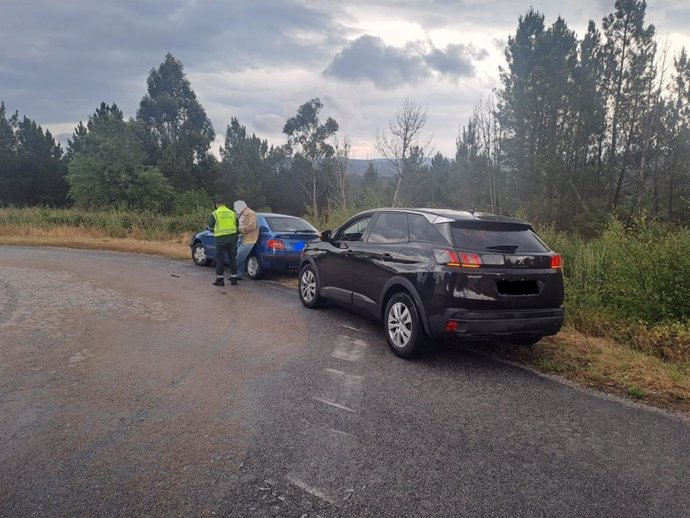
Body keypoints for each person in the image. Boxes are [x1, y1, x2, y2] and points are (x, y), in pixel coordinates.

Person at [208, 196, 239, 286]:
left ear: (216, 205)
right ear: (225, 204)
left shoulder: (215, 213)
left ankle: (220, 279)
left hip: (220, 240)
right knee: (232, 259)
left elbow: (210, 227)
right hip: (232, 239)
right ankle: (234, 278)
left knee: (220, 260)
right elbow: (237, 226)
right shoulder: (233, 213)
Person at [234, 200, 258, 280]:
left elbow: (252, 226)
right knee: (242, 257)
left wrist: (241, 230)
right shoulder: (240, 214)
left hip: (249, 238)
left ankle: (233, 272)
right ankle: (239, 275)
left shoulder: (251, 213)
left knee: (239, 256)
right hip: (241, 237)